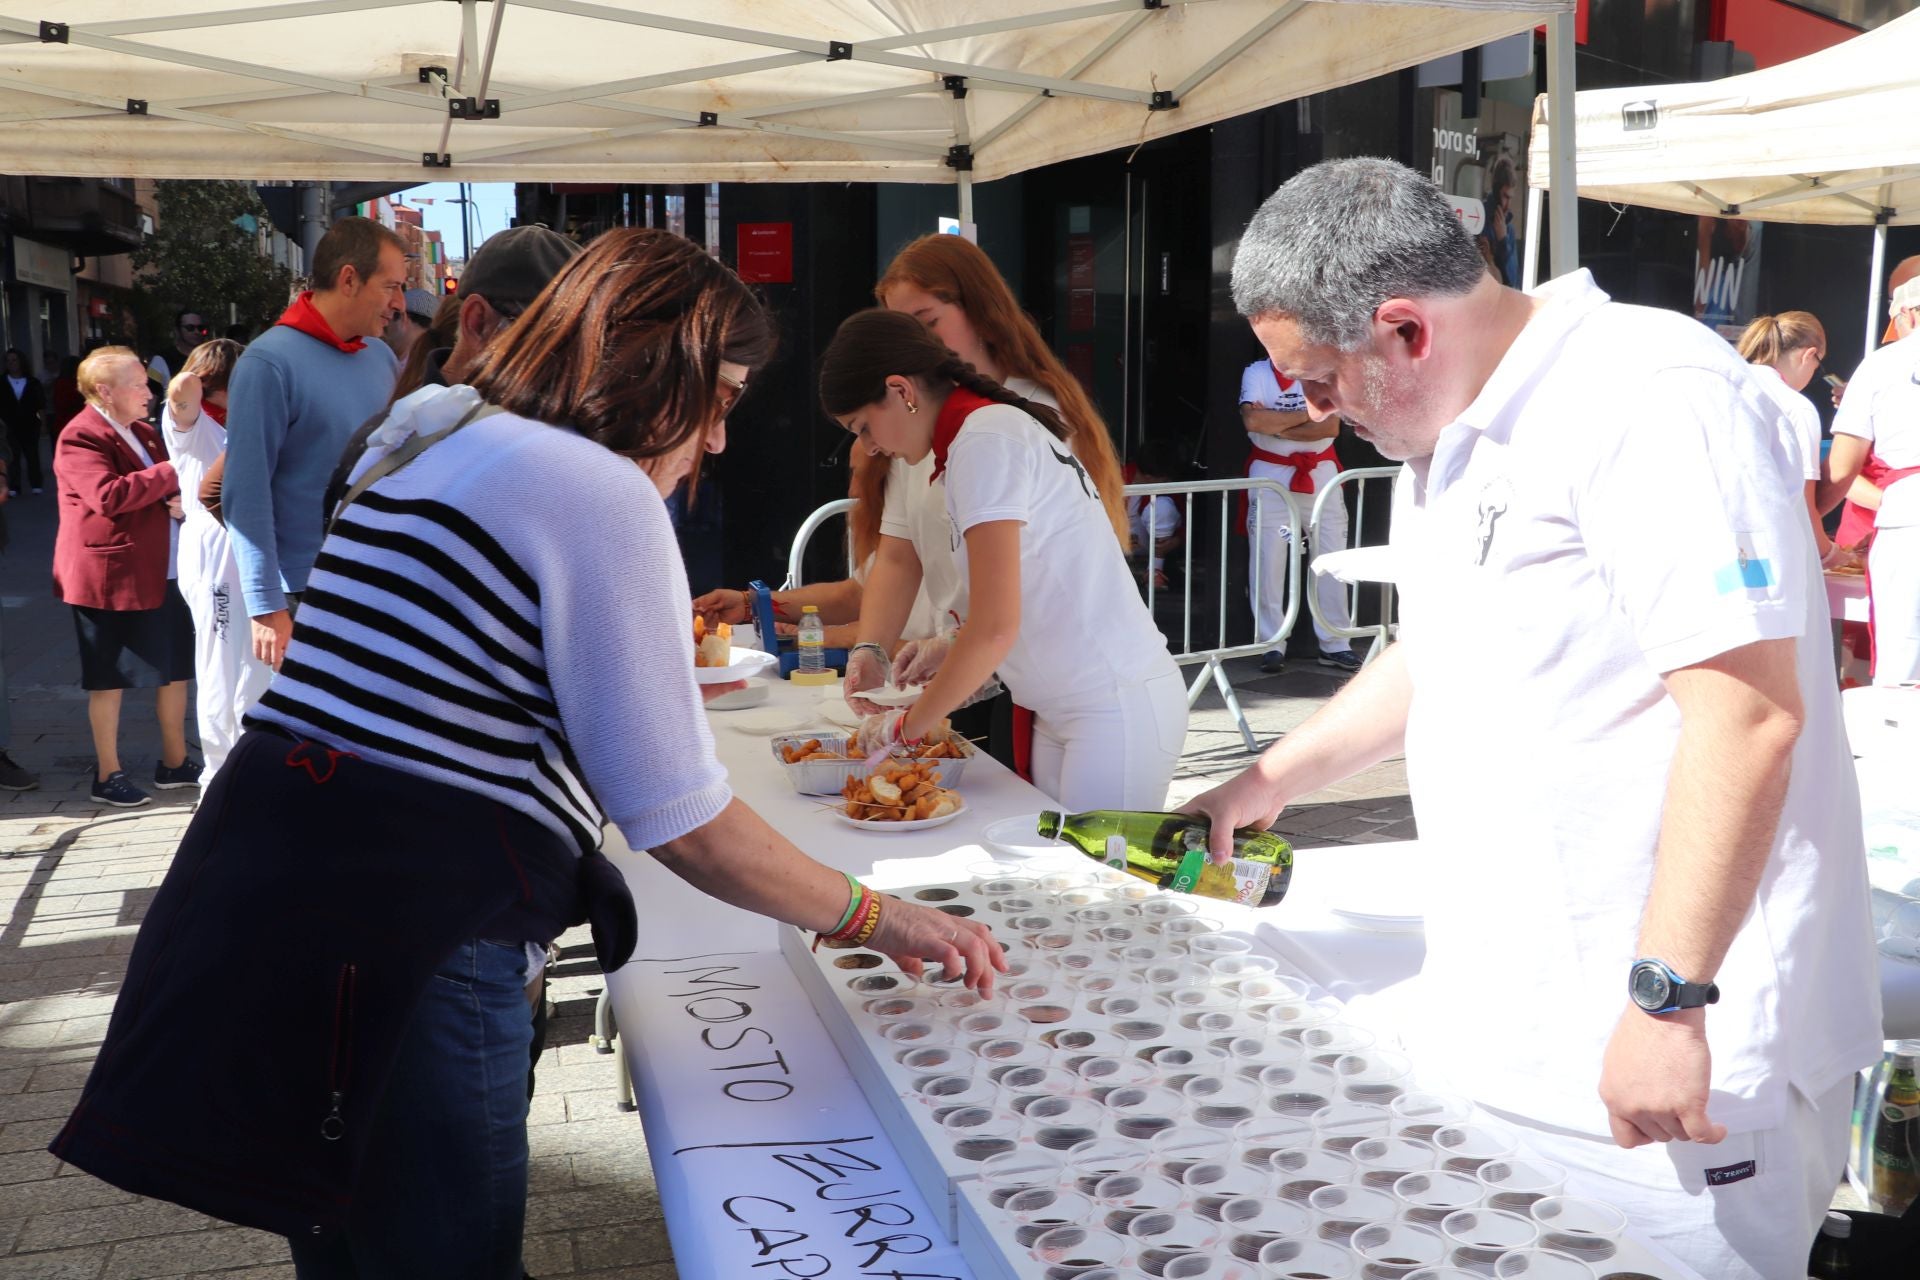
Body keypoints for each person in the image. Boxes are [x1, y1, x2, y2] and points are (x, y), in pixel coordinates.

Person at [51, 228, 1005, 1279]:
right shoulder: (597, 489)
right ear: (656, 368)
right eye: (722, 399)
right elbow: (679, 818)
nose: (722, 440)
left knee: (350, 1244)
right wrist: (880, 915)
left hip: (268, 876)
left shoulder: (425, 421)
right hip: (414, 922)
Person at [1186, 158, 1878, 1280]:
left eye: (1316, 380)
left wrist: (1667, 998)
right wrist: (1262, 782)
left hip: (1678, 1055)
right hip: (1524, 1023)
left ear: (1405, 330)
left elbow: (1746, 715)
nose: (1315, 411)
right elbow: (1442, 649)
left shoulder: (1649, 398)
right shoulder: (1451, 429)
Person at [821, 309, 1188, 810]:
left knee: (1098, 883)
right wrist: (949, 644)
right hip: (1067, 706)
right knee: (1054, 876)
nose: (871, 448)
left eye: (863, 428)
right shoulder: (975, 438)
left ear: (902, 391)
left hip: (1111, 704)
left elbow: (996, 627)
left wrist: (907, 728)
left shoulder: (984, 438)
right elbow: (1040, 586)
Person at [853, 234, 1132, 776]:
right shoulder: (925, 419)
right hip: (1000, 675)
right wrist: (874, 648)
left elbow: (1024, 591)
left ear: (979, 311)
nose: (918, 345)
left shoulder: (1010, 423)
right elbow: (897, 553)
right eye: (903, 331)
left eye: (928, 322)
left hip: (1034, 678)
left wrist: (918, 701)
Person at [224, 215, 405, 676]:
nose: (399, 304)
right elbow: (245, 494)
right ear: (349, 279)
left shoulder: (380, 355)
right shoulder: (268, 363)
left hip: (380, 581)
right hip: (308, 594)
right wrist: (266, 605)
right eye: (390, 287)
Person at [51, 348, 200, 808]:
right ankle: (107, 773)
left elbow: (158, 489)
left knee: (175, 668)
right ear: (105, 392)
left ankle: (174, 763)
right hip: (108, 574)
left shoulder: (140, 430)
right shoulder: (80, 435)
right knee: (108, 677)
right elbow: (108, 496)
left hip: (163, 567)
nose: (149, 392)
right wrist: (175, 470)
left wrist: (173, 500)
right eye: (138, 384)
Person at [160, 339, 268, 780]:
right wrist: (211, 365)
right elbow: (181, 388)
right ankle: (218, 774)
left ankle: (253, 761)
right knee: (219, 664)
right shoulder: (193, 424)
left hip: (249, 546)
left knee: (257, 663)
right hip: (214, 552)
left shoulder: (246, 422)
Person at [1824, 277, 1920, 683]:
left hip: (1908, 517)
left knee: (1904, 661)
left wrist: (1808, 519)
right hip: (1903, 509)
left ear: (1910, 314)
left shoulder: (1885, 363)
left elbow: (1843, 468)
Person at [1239, 355, 1359, 674]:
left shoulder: (1321, 369)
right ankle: (1271, 644)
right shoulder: (1256, 372)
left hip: (1320, 473)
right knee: (1268, 559)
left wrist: (1275, 424)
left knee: (1331, 556)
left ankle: (1336, 644)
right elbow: (1253, 422)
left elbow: (1330, 425)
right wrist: (1306, 416)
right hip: (1270, 475)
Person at [1735, 311, 1834, 563]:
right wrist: (1830, 553)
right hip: (1769, 551)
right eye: (1818, 365)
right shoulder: (1796, 407)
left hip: (1717, 544)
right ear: (1809, 355)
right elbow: (1804, 504)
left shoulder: (1724, 386)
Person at [2, 348, 47, 496]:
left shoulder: (32, 382)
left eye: (14, 360)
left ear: (21, 361)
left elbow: (40, 404)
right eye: (8, 361)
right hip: (9, 425)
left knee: (32, 454)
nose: (12, 363)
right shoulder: (2, 382)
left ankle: (36, 483)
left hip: (30, 424)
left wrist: (43, 424)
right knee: (13, 457)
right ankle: (14, 486)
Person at [148, 309, 212, 384]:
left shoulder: (211, 359)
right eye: (190, 328)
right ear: (177, 331)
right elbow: (152, 393)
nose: (196, 332)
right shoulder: (161, 360)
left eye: (200, 328)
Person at [380, 288, 437, 364]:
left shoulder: (383, 362)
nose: (381, 332)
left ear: (403, 318)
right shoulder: (436, 363)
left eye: (388, 319)